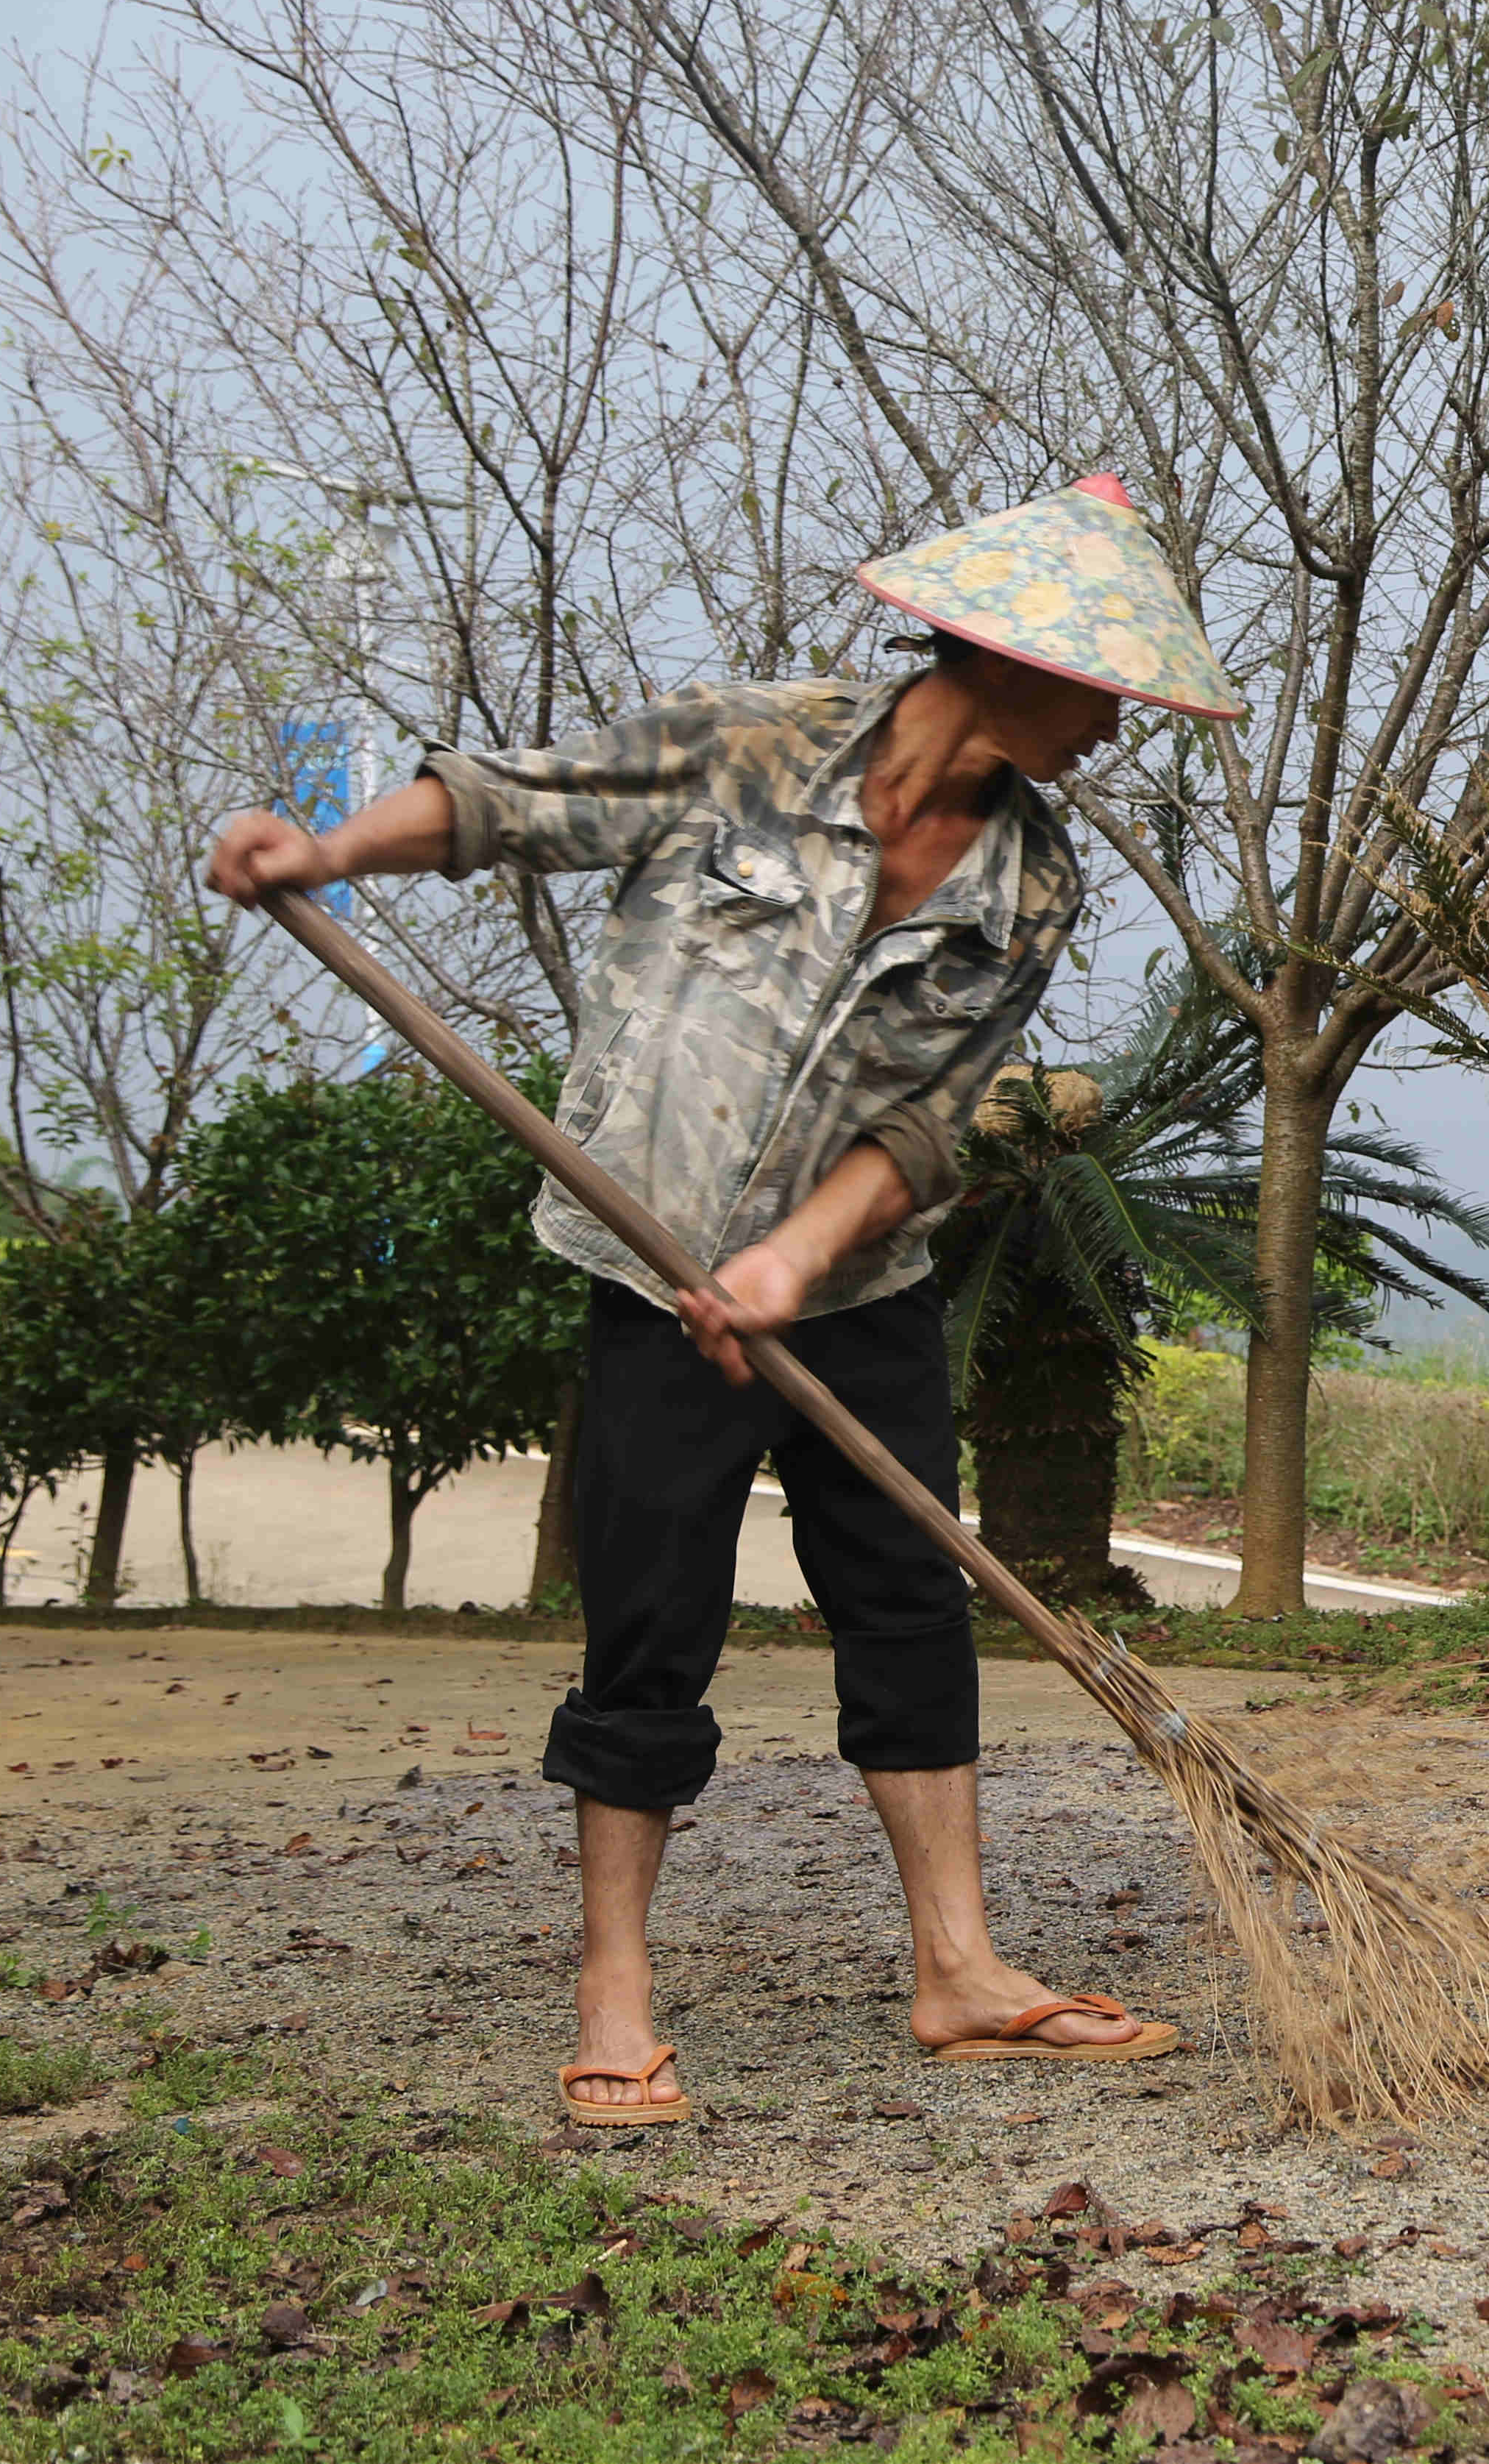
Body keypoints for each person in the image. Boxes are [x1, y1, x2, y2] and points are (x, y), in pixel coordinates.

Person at [205, 475, 1240, 2123]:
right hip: (647, 1266)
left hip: (857, 1288)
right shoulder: (747, 747)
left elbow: (928, 1122)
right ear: (997, 656)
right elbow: (510, 802)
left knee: (908, 1607)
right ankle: (614, 1988)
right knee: (651, 1622)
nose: (1117, 723)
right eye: (1101, 683)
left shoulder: (1031, 884)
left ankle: (957, 1965)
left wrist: (790, 1263)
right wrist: (327, 851)